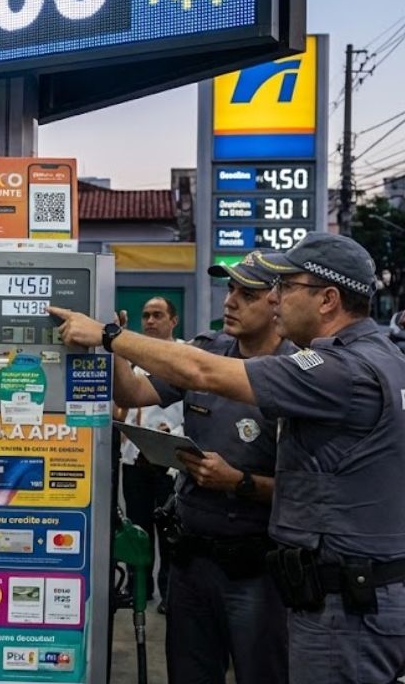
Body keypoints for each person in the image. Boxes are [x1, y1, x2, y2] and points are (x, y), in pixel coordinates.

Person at [50, 232, 405, 684]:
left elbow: (201, 372)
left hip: (328, 594)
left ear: (328, 299)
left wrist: (109, 335)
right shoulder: (374, 358)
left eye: (285, 288)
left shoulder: (340, 369)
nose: (276, 301)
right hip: (258, 572)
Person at [113, 253, 292, 683]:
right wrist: (115, 346)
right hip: (191, 562)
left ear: (277, 302)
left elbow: (310, 488)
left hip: (257, 568)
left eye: (246, 294)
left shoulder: (297, 373)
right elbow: (133, 391)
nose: (230, 301)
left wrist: (241, 482)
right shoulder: (206, 352)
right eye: (229, 290)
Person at [116, 296, 184, 610]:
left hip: (170, 464)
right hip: (134, 461)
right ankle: (137, 589)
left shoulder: (187, 358)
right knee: (137, 528)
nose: (150, 321)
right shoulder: (130, 361)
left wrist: (176, 438)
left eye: (157, 315)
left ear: (174, 320)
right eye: (146, 315)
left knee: (170, 532)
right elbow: (121, 407)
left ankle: (171, 593)